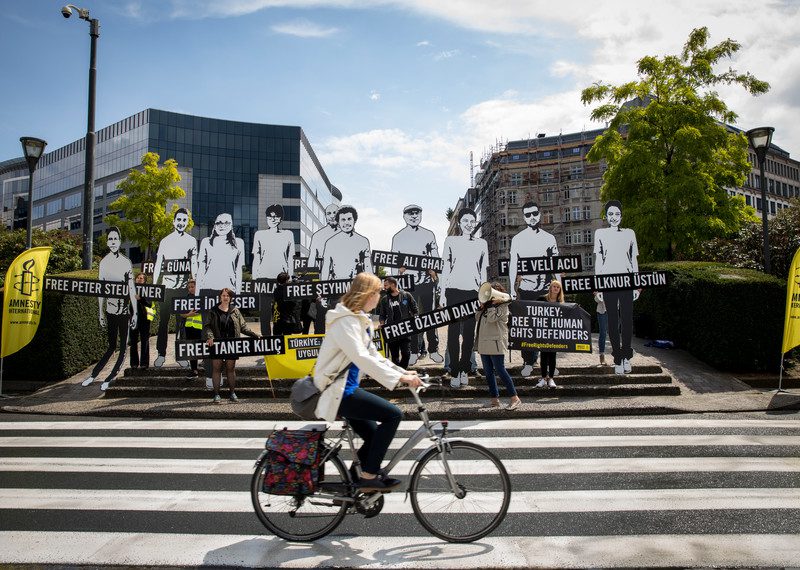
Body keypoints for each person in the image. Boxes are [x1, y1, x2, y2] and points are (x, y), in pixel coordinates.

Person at [313, 272, 422, 491]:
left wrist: (404, 372)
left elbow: (374, 356)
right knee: (393, 415)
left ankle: (356, 481)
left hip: (348, 388)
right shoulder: (344, 321)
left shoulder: (358, 320)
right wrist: (400, 378)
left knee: (373, 435)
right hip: (338, 391)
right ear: (367, 294)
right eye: (377, 293)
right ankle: (369, 476)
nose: (379, 297)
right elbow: (360, 356)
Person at [82, 227, 138, 391]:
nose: (113, 242)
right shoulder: (104, 262)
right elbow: (101, 290)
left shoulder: (126, 262)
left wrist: (134, 312)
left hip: (124, 313)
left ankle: (110, 377)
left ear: (120, 242)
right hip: (110, 312)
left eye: (116, 239)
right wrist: (100, 312)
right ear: (107, 242)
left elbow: (132, 288)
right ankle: (93, 375)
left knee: (123, 347)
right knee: (111, 346)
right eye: (110, 239)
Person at [509, 201, 560, 377]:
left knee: (547, 328)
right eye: (528, 215)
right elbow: (513, 266)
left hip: (545, 290)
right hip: (526, 289)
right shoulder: (518, 239)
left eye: (534, 214)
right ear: (524, 217)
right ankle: (528, 361)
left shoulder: (549, 238)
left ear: (539, 214)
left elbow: (556, 265)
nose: (531, 217)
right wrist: (511, 289)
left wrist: (560, 288)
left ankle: (549, 362)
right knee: (527, 328)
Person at [439, 207, 488, 388]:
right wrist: (442, 294)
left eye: (472, 221)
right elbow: (445, 268)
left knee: (468, 334)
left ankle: (464, 370)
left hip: (472, 292)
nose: (469, 224)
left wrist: (484, 295)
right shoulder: (450, 241)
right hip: (453, 290)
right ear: (459, 223)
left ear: (475, 223)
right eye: (465, 221)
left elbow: (483, 271)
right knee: (453, 333)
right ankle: (453, 370)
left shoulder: (482, 243)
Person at [390, 204, 443, 365]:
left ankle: (433, 350)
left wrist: (435, 272)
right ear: (404, 216)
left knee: (430, 318)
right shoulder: (398, 237)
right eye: (410, 213)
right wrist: (398, 275)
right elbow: (393, 263)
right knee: (411, 319)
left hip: (427, 283)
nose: (414, 216)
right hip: (409, 286)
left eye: (417, 213)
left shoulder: (429, 235)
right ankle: (413, 351)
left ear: (420, 215)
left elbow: (436, 257)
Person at [594, 200, 640, 375]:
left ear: (621, 215)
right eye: (611, 214)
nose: (614, 217)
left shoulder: (630, 233)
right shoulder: (600, 234)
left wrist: (636, 285)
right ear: (606, 216)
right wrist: (598, 287)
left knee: (627, 320)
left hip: (627, 281)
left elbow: (633, 259)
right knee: (612, 320)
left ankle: (627, 355)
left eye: (617, 214)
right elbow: (599, 261)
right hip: (608, 282)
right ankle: (617, 358)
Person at [152, 208, 197, 368]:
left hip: (182, 291)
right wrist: (155, 286)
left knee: (181, 324)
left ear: (187, 222)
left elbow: (194, 263)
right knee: (163, 323)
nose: (181, 223)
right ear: (174, 221)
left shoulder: (191, 241)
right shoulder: (165, 241)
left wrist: (195, 283)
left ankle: (181, 355)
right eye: (179, 219)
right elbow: (158, 264)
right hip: (166, 288)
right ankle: (161, 354)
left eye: (184, 220)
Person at [204, 287, 260, 403]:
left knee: (231, 368)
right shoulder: (213, 310)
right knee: (216, 369)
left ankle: (232, 393)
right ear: (220, 297)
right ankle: (216, 395)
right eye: (223, 295)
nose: (225, 297)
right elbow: (208, 326)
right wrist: (210, 337)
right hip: (217, 344)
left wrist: (255, 335)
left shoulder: (235, 310)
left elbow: (243, 327)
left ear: (230, 298)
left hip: (232, 344)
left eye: (227, 296)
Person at [252, 204, 296, 337]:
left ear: (280, 218)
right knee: (264, 312)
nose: (273, 218)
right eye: (270, 216)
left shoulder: (288, 234)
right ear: (266, 218)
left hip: (281, 280)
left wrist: (291, 278)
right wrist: (255, 279)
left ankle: (282, 338)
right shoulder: (259, 234)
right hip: (263, 278)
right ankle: (267, 340)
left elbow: (290, 258)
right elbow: (256, 258)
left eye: (276, 216)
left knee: (283, 311)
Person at [475, 283, 520, 410]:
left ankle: (514, 398)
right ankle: (494, 400)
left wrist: (493, 306)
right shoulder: (487, 307)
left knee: (500, 370)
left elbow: (491, 319)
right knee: (488, 373)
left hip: (496, 343)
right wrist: (481, 307)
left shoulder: (503, 307)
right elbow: (477, 318)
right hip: (484, 343)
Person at [308, 204, 339, 333]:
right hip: (322, 285)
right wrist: (312, 285)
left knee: (339, 317)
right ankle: (319, 344)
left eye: (334, 213)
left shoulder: (347, 236)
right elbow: (311, 261)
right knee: (320, 317)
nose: (332, 216)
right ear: (325, 216)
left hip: (340, 285)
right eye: (329, 213)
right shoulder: (318, 236)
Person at [320, 205, 373, 280]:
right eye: (343, 220)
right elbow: (326, 268)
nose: (346, 222)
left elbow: (368, 267)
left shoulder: (363, 241)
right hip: (336, 286)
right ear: (338, 222)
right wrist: (323, 287)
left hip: (356, 286)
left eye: (349, 219)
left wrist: (370, 286)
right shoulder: (330, 243)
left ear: (354, 220)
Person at [378, 276, 418, 369]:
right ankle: (399, 376)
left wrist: (415, 317)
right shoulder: (385, 299)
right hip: (391, 331)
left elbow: (415, 309)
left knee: (406, 353)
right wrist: (382, 323)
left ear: (393, 284)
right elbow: (382, 314)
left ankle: (402, 371)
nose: (384, 287)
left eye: (386, 285)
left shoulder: (406, 295)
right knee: (394, 356)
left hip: (405, 329)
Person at [537, 280, 564, 388]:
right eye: (554, 286)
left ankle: (551, 378)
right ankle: (543, 378)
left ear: (560, 290)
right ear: (550, 288)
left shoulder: (561, 302)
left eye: (558, 287)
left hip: (555, 333)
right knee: (543, 355)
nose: (556, 288)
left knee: (552, 355)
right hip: (543, 332)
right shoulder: (542, 299)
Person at [129, 272, 154, 369]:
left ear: (144, 281)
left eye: (141, 278)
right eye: (138, 278)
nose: (139, 279)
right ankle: (134, 363)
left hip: (144, 319)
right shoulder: (131, 290)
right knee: (133, 342)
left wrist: (140, 299)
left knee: (145, 341)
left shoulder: (148, 291)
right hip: (133, 319)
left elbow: (149, 304)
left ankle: (144, 363)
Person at [180, 278, 203, 378]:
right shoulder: (185, 299)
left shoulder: (202, 297)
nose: (190, 289)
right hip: (189, 327)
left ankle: (207, 366)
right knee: (192, 349)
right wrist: (189, 314)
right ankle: (194, 370)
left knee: (203, 347)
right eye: (189, 287)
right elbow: (181, 314)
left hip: (201, 327)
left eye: (192, 287)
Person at [272, 272, 302, 336]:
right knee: (287, 340)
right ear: (286, 281)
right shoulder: (288, 291)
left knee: (277, 339)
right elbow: (294, 303)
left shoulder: (276, 290)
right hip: (287, 320)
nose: (289, 281)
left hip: (277, 320)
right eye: (288, 280)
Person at [594, 291, 608, 366]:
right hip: (602, 311)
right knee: (603, 333)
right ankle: (602, 355)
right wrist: (598, 295)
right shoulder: (600, 284)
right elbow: (596, 300)